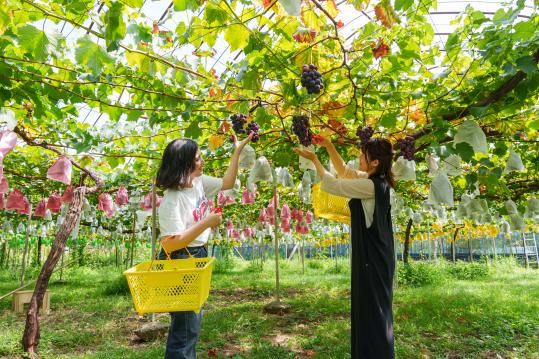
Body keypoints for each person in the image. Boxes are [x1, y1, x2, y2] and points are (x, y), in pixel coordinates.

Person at [294, 136, 395, 359]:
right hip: (375, 258)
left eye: (363, 155)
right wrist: (328, 145)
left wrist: (314, 160)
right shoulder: (374, 181)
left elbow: (333, 184)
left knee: (373, 314)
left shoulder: (370, 186)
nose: (359, 157)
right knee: (371, 312)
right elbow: (344, 172)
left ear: (375, 162)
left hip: (372, 260)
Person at [156, 134, 252, 359]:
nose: (202, 161)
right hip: (180, 259)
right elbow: (170, 245)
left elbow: (227, 183)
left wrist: (237, 151)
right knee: (186, 327)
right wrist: (206, 223)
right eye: (198, 159)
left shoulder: (197, 182)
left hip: (196, 254)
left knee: (190, 323)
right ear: (185, 164)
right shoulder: (172, 200)